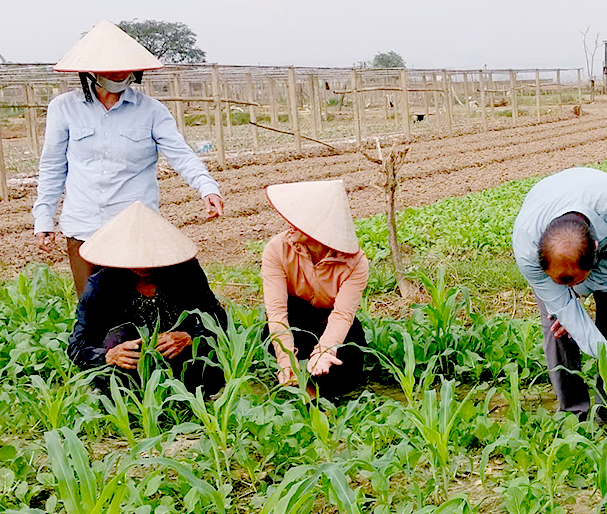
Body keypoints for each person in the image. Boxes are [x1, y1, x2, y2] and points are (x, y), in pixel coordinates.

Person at [32, 20, 224, 297]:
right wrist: (43, 217)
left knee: (138, 306)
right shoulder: (64, 109)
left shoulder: (152, 111)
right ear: (90, 70)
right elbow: (52, 166)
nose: (120, 73)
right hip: (83, 225)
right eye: (111, 67)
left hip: (135, 228)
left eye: (126, 67)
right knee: (91, 310)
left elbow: (181, 154)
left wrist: (207, 188)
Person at [512, 167, 607, 421]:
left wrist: (573, 308)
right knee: (557, 327)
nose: (568, 288)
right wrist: (565, 311)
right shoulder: (527, 249)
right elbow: (561, 303)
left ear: (594, 249)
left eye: (573, 282)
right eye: (560, 282)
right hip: (551, 222)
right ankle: (573, 412)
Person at [67, 202, 227, 396]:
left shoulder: (185, 272)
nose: (142, 268)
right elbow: (77, 345)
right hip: (128, 377)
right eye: (134, 262)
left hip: (186, 368)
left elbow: (217, 318)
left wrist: (189, 338)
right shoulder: (101, 286)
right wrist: (109, 356)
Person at [261, 180, 369, 400]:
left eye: (302, 221)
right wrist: (286, 361)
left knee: (342, 370)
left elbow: (342, 316)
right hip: (295, 324)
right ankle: (301, 387)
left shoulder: (356, 263)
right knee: (276, 349)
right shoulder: (276, 250)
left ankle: (314, 391)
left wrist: (325, 351)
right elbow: (277, 312)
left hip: (334, 327)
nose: (291, 224)